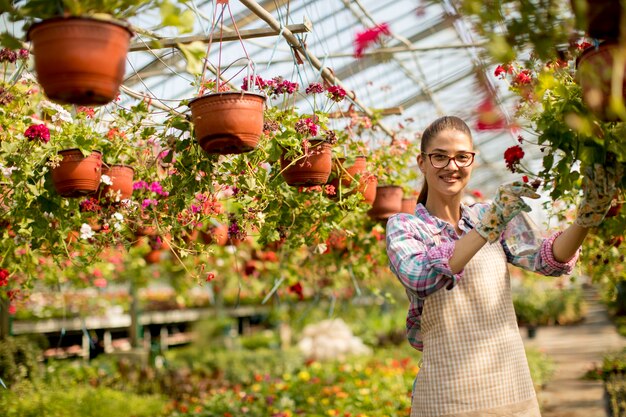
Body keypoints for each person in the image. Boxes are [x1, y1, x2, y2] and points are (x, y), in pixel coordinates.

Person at [385, 116, 618, 417]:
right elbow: (420, 278)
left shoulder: (487, 215)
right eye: (440, 157)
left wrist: (586, 220)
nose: (451, 166)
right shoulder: (406, 227)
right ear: (422, 162)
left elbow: (547, 259)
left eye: (461, 157)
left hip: (510, 388)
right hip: (446, 397)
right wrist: (487, 226)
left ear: (473, 161)